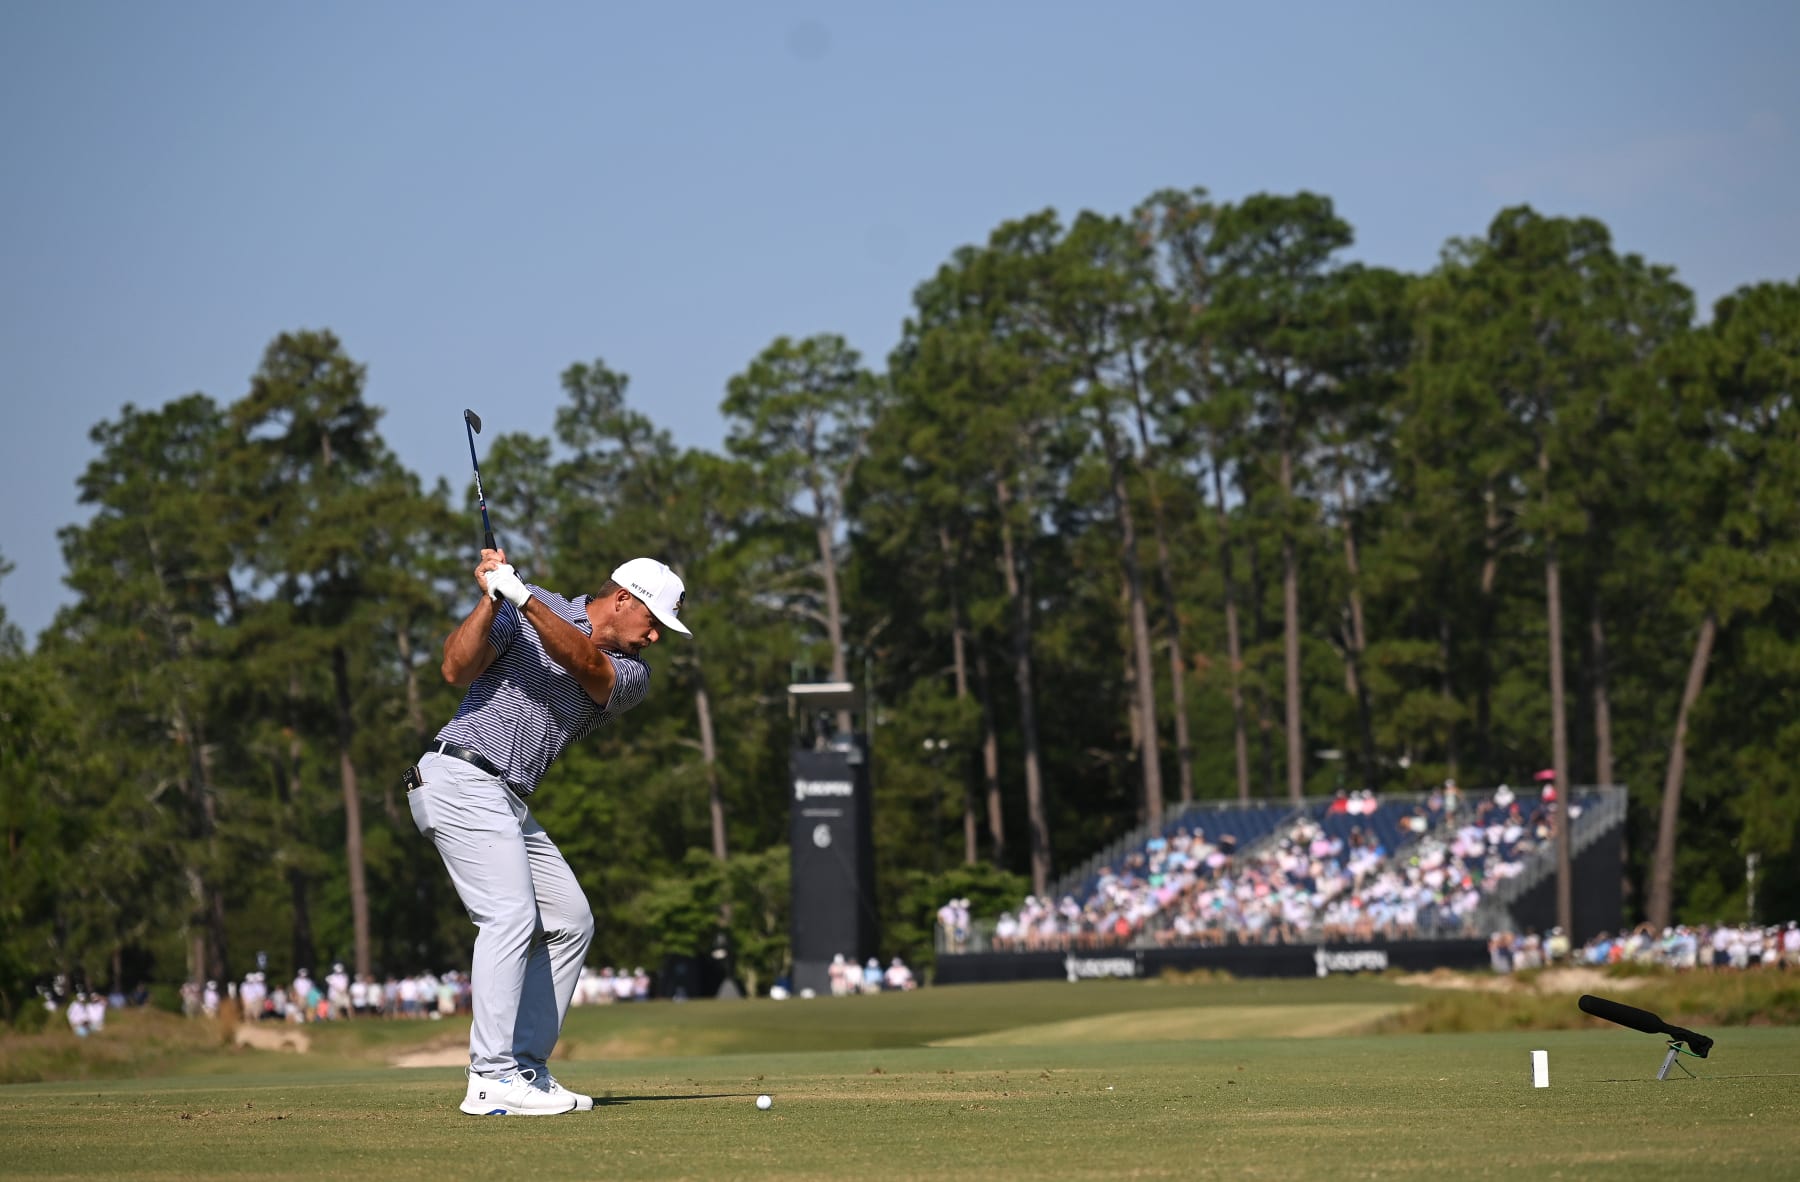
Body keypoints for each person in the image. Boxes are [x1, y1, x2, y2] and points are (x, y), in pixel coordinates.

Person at [408, 550, 688, 1117]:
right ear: (623, 599)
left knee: (569, 920)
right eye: (653, 621)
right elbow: (455, 669)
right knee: (510, 917)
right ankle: (490, 1078)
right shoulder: (525, 603)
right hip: (460, 774)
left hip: (505, 798)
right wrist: (492, 599)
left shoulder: (631, 673)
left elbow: (588, 666)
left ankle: (525, 1067)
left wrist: (521, 596)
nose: (655, 637)